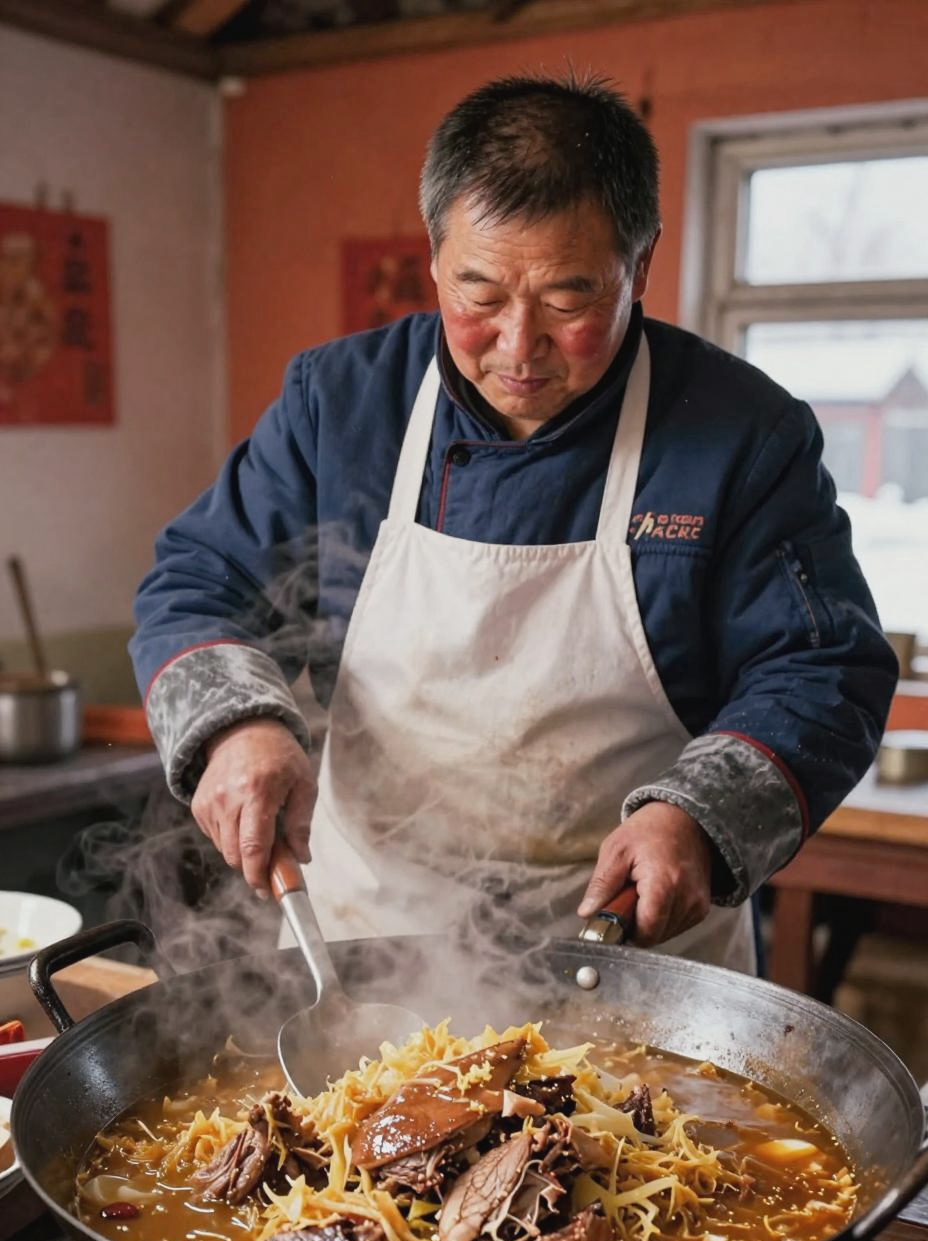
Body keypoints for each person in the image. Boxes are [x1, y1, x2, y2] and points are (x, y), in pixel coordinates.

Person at [131, 71, 896, 971]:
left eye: (569, 300)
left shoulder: (743, 434)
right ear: (434, 260)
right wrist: (236, 725)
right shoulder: (341, 404)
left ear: (639, 264)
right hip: (376, 941)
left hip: (634, 943)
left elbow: (822, 667)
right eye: (480, 294)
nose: (518, 343)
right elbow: (198, 581)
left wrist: (702, 817)